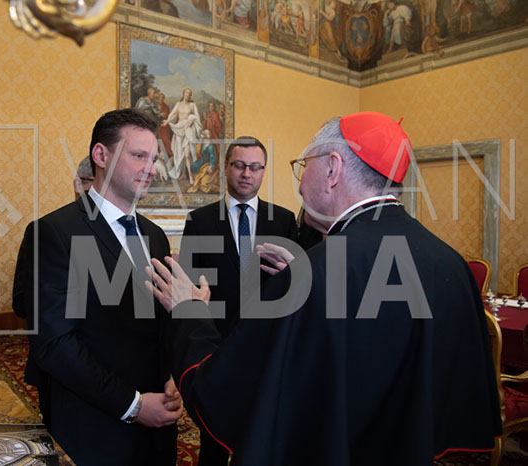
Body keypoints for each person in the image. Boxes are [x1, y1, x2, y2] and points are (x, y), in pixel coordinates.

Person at [148, 112, 501, 465]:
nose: (301, 182)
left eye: (304, 165)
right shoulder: (451, 264)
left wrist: (187, 310)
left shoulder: (314, 272)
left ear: (332, 169)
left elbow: (219, 395)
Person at [12, 108, 182, 465]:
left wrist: (172, 376)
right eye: (139, 156)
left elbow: (156, 324)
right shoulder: (53, 233)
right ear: (101, 156)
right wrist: (134, 405)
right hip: (95, 425)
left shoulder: (154, 236)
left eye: (154, 159)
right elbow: (56, 345)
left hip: (158, 424)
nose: (152, 169)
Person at [179, 136, 298, 465]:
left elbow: (295, 284)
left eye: (255, 167)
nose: (247, 173)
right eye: (240, 165)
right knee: (214, 433)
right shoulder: (200, 221)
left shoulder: (284, 220)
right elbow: (189, 285)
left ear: (263, 171)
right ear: (225, 168)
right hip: (217, 344)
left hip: (267, 342)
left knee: (263, 429)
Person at [162, 87, 202, 183]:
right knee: (180, 153)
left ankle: (190, 176)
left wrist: (192, 121)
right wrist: (167, 121)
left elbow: (197, 117)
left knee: (187, 155)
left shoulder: (192, 105)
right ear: (183, 93)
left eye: (190, 93)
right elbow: (173, 114)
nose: (188, 95)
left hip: (188, 130)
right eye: (187, 93)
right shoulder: (178, 104)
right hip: (179, 129)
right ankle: (183, 174)